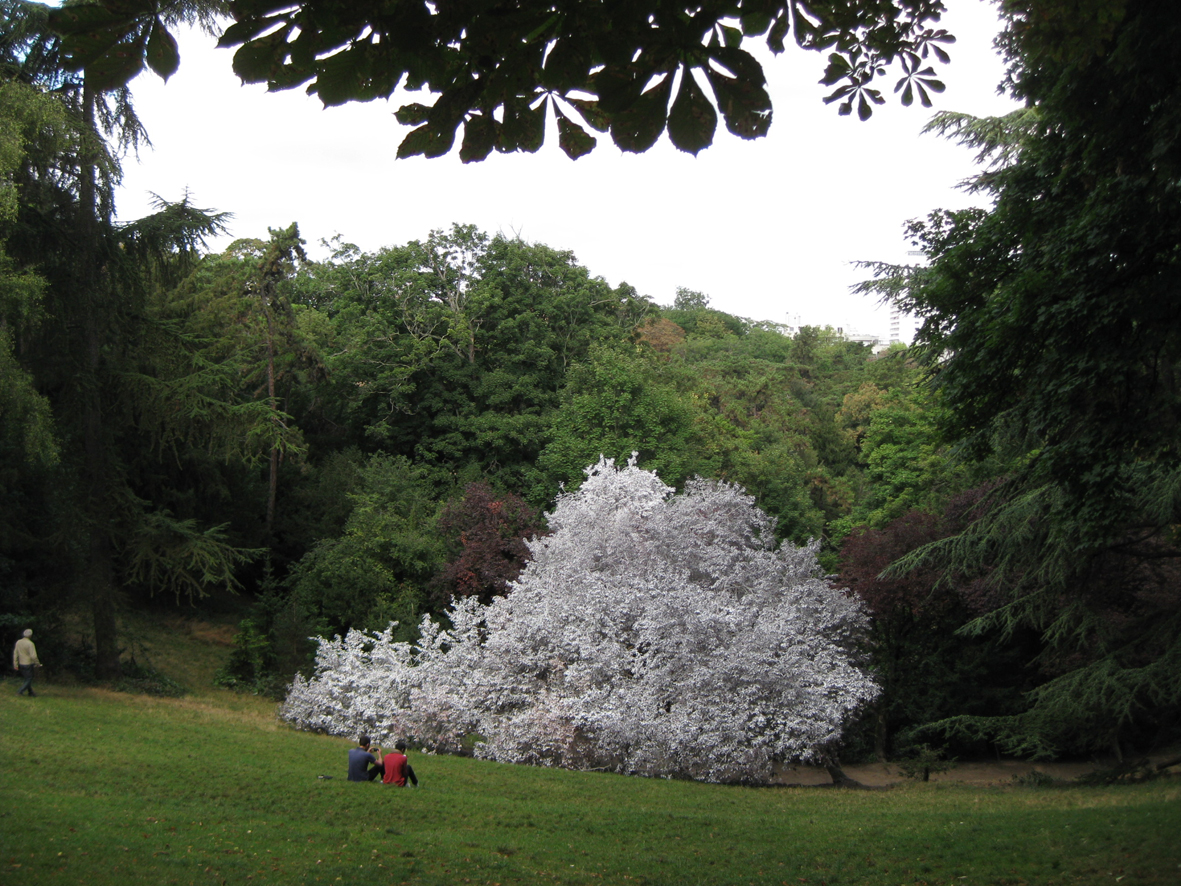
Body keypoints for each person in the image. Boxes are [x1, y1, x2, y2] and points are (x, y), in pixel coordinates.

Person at [12, 629, 40, 697]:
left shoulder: (18, 642)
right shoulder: (30, 644)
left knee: (26, 678)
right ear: (30, 635)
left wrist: (15, 664)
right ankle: (20, 691)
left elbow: (15, 653)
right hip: (28, 663)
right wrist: (37, 663)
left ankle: (31, 692)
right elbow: (33, 656)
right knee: (29, 678)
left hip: (21, 663)